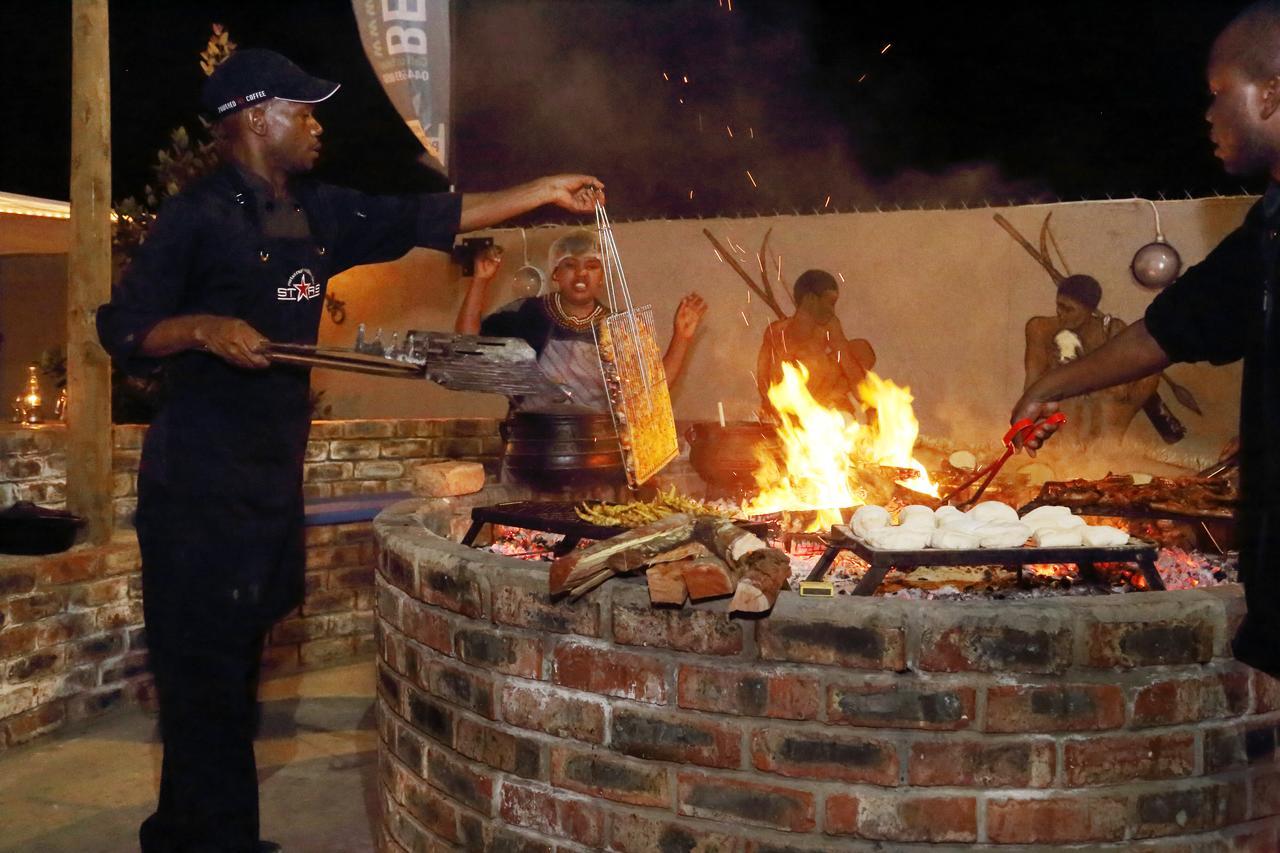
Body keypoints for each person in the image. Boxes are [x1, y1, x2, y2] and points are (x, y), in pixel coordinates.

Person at [96, 48, 604, 853]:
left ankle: (207, 830)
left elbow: (426, 217)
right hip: (196, 484)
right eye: (301, 111)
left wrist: (542, 190)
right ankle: (200, 839)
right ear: (255, 119)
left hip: (268, 480)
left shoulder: (316, 211)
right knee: (202, 678)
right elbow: (120, 328)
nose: (314, 123)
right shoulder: (195, 216)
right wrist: (202, 329)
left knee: (234, 673)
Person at [1012, 1, 1280, 677]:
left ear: (1273, 93)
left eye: (1222, 95)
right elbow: (1174, 324)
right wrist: (1050, 385)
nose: (1209, 114)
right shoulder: (1267, 231)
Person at [455, 229, 707, 411]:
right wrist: (480, 281)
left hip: (596, 455)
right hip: (529, 451)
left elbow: (650, 391)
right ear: (555, 273)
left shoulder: (618, 325)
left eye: (592, 265)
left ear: (602, 277)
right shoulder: (527, 312)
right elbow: (468, 345)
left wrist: (681, 338)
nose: (581, 273)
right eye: (570, 265)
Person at [1023, 273, 1159, 444]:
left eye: (1069, 309)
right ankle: (1065, 448)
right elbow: (1032, 383)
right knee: (1064, 391)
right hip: (1061, 417)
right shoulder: (1041, 329)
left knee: (1122, 387)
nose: (1061, 313)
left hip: (1103, 419)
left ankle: (1107, 445)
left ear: (1090, 311)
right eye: (1059, 306)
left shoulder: (1112, 331)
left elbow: (1139, 378)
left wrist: (1122, 409)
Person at [756, 268, 876, 419]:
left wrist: (871, 407)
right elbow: (762, 378)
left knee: (860, 349)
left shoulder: (830, 326)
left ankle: (835, 403)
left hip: (820, 399)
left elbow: (850, 366)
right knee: (814, 364)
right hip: (788, 407)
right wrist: (772, 408)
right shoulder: (776, 332)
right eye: (830, 303)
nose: (832, 311)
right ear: (810, 299)